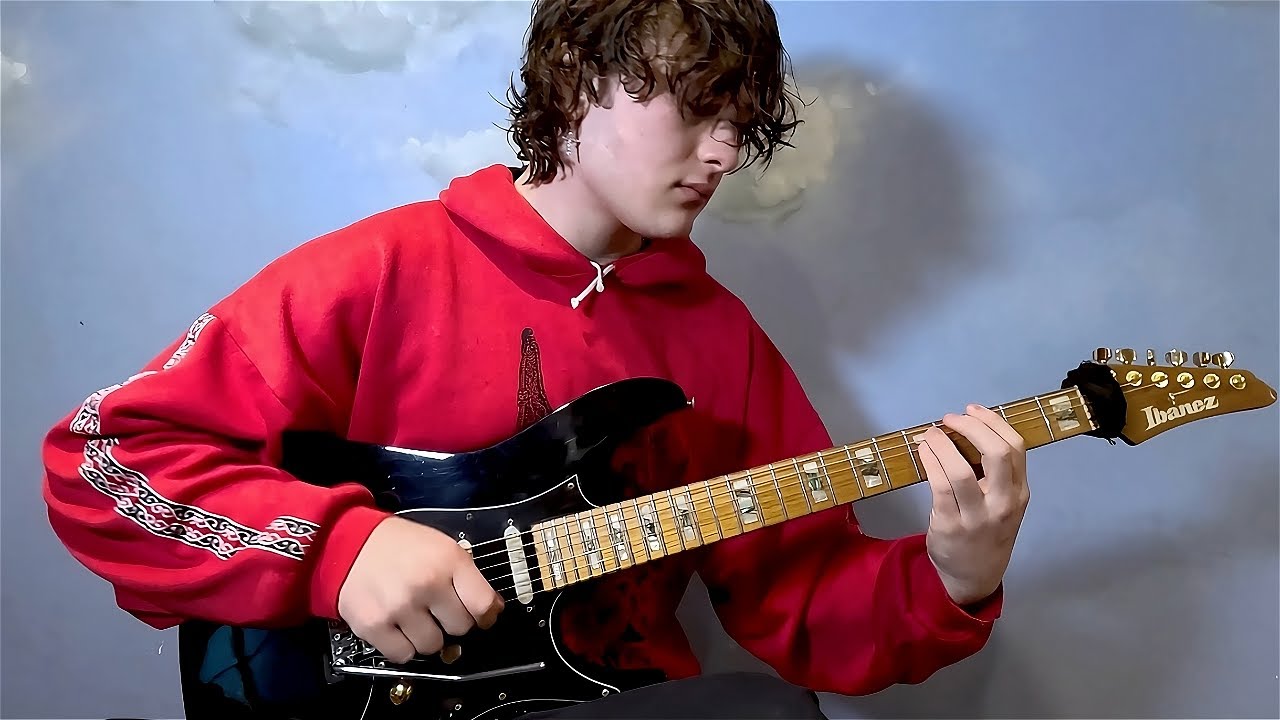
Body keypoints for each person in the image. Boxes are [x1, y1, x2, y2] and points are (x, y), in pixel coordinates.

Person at [40, 0, 1030, 718]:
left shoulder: (718, 340)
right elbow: (104, 462)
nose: (724, 152)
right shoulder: (382, 268)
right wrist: (339, 552)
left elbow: (801, 598)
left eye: (739, 123)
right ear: (576, 74)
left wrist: (953, 574)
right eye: (695, 107)